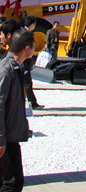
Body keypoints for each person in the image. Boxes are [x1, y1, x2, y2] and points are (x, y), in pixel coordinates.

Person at [0, 28, 35, 191]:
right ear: (26, 48)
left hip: (9, 136)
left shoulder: (15, 67)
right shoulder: (6, 70)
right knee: (12, 183)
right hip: (5, 139)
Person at [20, 19, 42, 111]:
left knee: (26, 84)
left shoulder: (23, 32)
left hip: (25, 62)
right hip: (24, 63)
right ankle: (32, 103)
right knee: (27, 84)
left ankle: (31, 103)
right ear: (32, 24)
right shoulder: (25, 33)